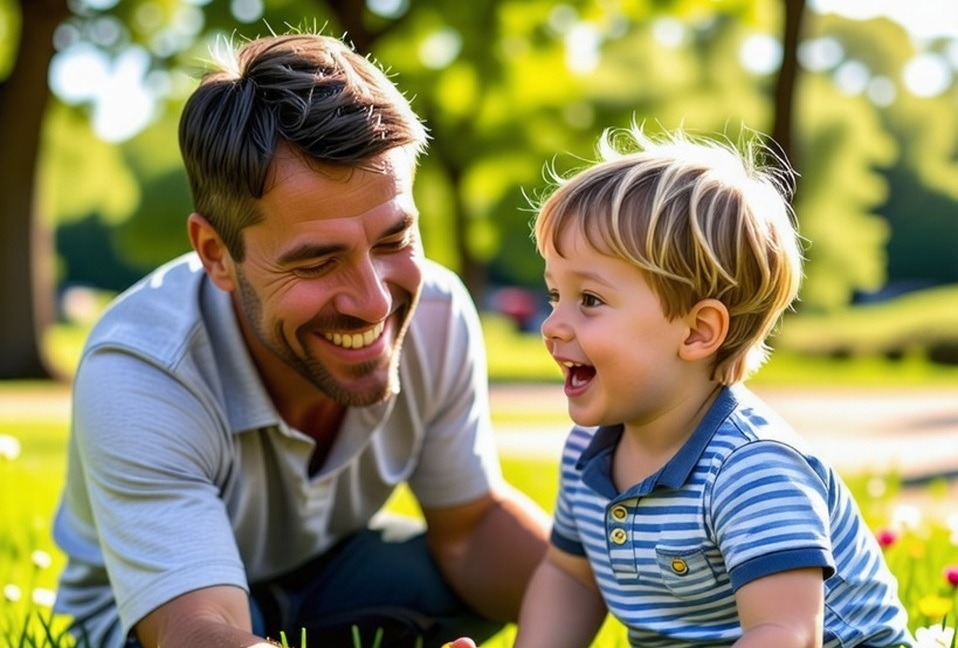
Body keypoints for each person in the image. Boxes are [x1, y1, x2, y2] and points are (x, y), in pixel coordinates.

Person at [51, 32, 549, 648]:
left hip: (327, 579)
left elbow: (471, 529)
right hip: (162, 617)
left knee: (441, 581)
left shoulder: (437, 313)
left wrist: (643, 594)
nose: (373, 300)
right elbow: (198, 630)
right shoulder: (142, 370)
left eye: (394, 240)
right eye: (316, 263)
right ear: (217, 254)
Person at [448, 125, 914, 648]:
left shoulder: (751, 468)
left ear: (696, 331)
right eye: (555, 293)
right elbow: (570, 578)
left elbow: (784, 632)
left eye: (590, 300)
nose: (553, 324)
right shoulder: (589, 453)